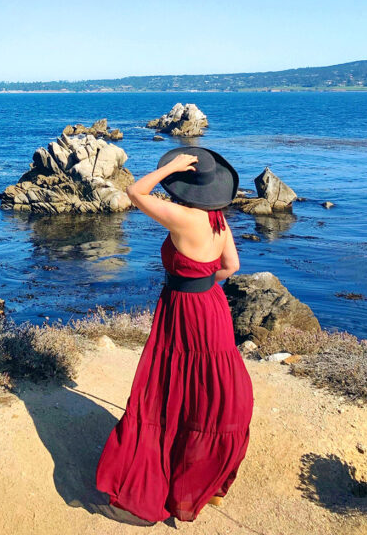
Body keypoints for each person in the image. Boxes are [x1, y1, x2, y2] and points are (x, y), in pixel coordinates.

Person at [95, 147, 254, 523]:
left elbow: (135, 193)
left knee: (170, 383)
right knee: (207, 388)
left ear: (186, 185)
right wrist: (203, 284)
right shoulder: (217, 220)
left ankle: (162, 478)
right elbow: (232, 265)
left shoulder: (183, 218)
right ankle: (203, 479)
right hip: (212, 307)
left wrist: (171, 166)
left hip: (183, 310)